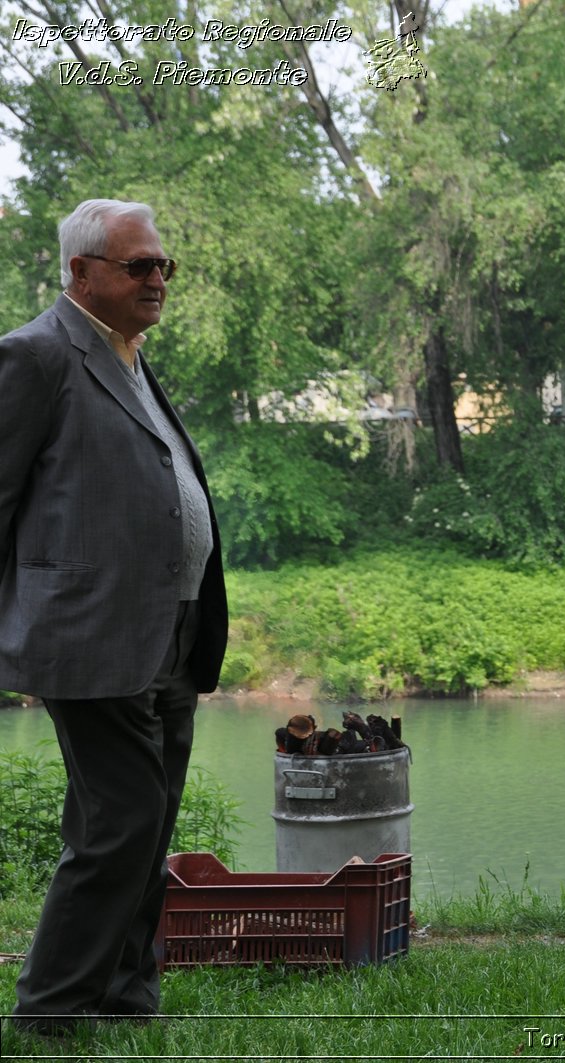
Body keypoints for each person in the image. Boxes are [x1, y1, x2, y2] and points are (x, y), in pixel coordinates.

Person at [1, 199, 228, 1036]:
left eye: (164, 265)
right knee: (120, 821)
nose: (158, 279)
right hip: (86, 634)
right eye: (139, 266)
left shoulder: (126, 354)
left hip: (168, 628)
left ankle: (126, 999)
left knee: (150, 817)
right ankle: (51, 1008)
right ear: (82, 273)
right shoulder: (35, 355)